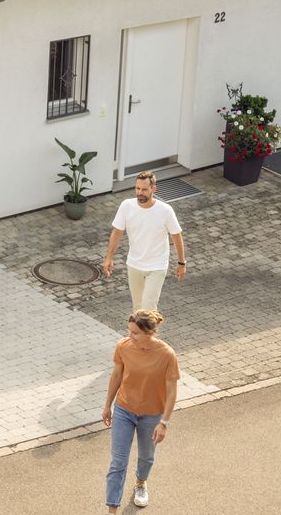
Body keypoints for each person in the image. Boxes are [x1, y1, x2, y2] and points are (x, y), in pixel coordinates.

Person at [101, 309, 180, 512]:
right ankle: (112, 510)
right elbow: (116, 376)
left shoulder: (167, 355)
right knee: (118, 462)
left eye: (135, 333)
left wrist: (164, 423)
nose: (130, 336)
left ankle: (140, 483)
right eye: (129, 331)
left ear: (149, 333)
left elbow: (171, 391)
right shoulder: (123, 347)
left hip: (152, 415)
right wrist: (107, 405)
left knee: (146, 456)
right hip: (124, 410)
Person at [102, 171, 186, 312]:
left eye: (144, 189)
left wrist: (181, 263)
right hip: (134, 264)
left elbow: (176, 236)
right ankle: (139, 334)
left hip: (157, 266)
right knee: (138, 309)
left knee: (148, 310)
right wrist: (109, 257)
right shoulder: (126, 206)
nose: (140, 192)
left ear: (153, 189)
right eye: (137, 188)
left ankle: (148, 333)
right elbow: (117, 232)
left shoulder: (165, 211)